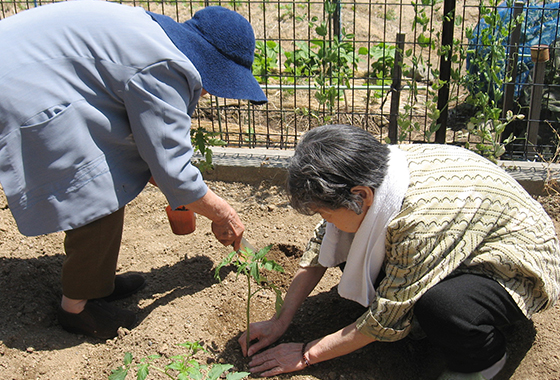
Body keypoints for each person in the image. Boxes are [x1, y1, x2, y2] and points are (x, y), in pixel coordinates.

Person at [0, 1, 267, 339]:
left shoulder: (153, 36)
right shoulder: (164, 67)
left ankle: (96, 283)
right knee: (98, 182)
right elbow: (173, 172)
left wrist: (184, 188)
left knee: (109, 168)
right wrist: (223, 213)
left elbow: (155, 156)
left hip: (25, 67)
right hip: (18, 86)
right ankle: (77, 309)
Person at [239, 124, 560, 379]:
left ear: (360, 195)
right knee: (347, 244)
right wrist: (281, 321)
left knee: (442, 307)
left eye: (325, 212)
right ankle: (426, 322)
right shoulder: (373, 172)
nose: (324, 222)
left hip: (518, 264)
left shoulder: (416, 222)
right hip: (462, 237)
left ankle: (483, 359)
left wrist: (307, 353)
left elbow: (384, 319)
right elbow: (323, 245)